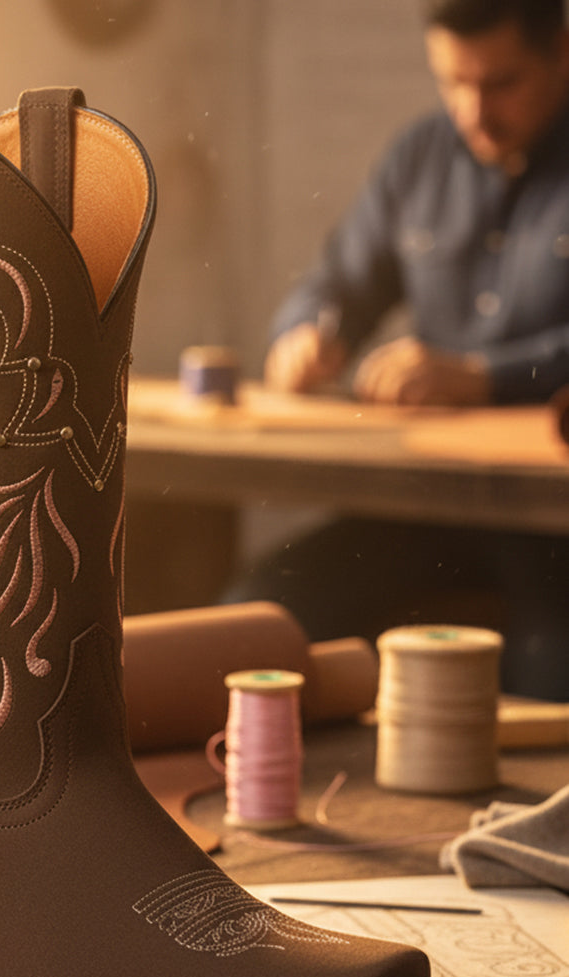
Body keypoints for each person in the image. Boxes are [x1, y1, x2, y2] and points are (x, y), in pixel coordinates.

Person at [234, 0, 569, 698]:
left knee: (549, 673)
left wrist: (485, 377)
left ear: (562, 53)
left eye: (501, 83)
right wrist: (308, 333)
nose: (472, 111)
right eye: (452, 83)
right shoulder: (419, 156)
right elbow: (336, 285)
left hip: (554, 528)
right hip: (428, 507)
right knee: (256, 614)